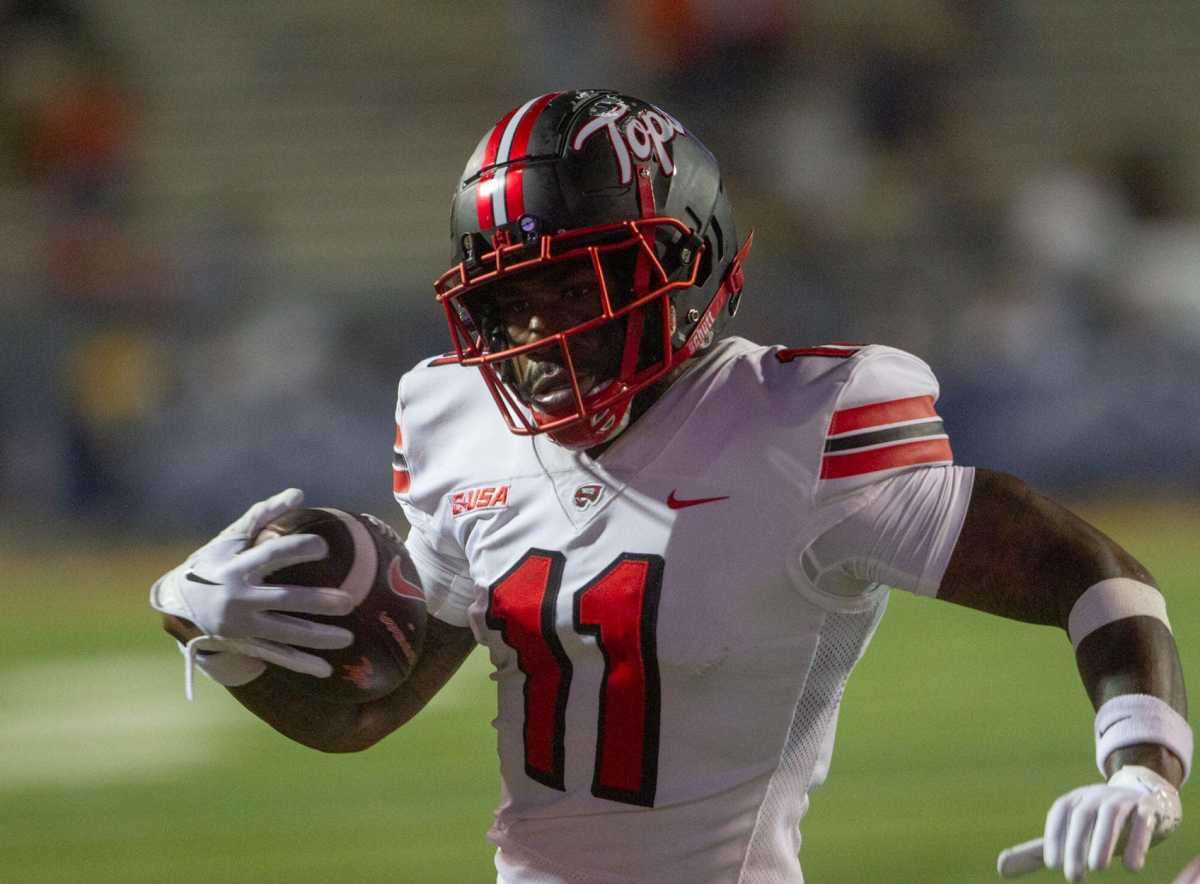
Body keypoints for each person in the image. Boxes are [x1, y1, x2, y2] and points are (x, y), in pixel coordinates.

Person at [151, 90, 1190, 883]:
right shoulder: (451, 415)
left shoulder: (800, 424)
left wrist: (1141, 759)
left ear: (683, 266)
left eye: (575, 285)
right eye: (509, 299)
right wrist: (215, 637)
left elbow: (1087, 568)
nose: (537, 333)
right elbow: (368, 713)